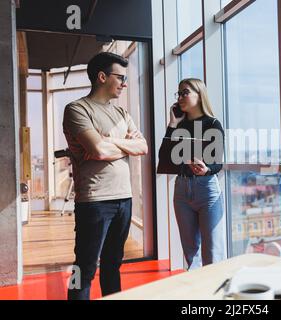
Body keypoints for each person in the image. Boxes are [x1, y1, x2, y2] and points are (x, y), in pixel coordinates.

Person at [63, 52, 148, 300]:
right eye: (120, 77)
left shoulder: (122, 114)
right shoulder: (77, 109)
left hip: (124, 198)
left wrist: (109, 140)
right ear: (102, 77)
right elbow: (97, 150)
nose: (124, 83)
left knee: (113, 264)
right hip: (95, 201)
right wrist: (119, 144)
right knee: (85, 267)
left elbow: (142, 147)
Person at [158, 78, 225, 270]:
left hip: (207, 190)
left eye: (184, 92)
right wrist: (172, 124)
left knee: (213, 252)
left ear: (199, 94)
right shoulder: (179, 125)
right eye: (178, 94)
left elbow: (217, 162)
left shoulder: (212, 123)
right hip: (181, 189)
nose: (180, 97)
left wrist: (207, 168)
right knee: (190, 252)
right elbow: (164, 157)